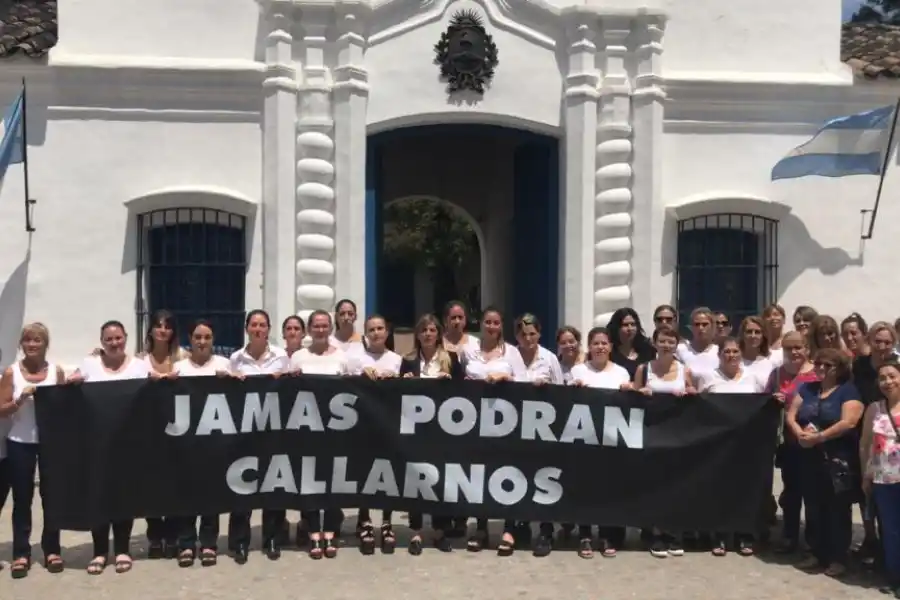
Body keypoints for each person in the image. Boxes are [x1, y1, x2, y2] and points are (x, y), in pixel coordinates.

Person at [67, 320, 151, 575]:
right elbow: (75, 396)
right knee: (98, 496)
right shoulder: (89, 365)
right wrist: (72, 384)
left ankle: (123, 549)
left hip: (128, 444)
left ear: (126, 338)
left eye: (118, 338)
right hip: (96, 444)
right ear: (101, 341)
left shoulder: (139, 365)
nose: (114, 343)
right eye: (109, 339)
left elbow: (150, 399)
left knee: (123, 496)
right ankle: (100, 552)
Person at [787, 348, 864, 578]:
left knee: (837, 508)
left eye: (827, 365)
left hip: (837, 459)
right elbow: (791, 414)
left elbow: (849, 422)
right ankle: (815, 552)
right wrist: (800, 433)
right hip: (809, 457)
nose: (820, 368)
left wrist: (819, 437)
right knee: (812, 505)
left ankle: (838, 557)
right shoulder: (808, 388)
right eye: (818, 364)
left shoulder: (848, 391)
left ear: (839, 368)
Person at [458, 306, 528, 555]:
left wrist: (505, 380)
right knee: (479, 473)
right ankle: (481, 527)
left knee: (507, 473)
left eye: (496, 323)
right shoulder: (468, 350)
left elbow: (524, 384)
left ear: (501, 326)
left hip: (505, 422)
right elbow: (458, 381)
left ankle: (509, 528)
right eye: (487, 322)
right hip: (474, 423)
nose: (491, 327)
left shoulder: (512, 353)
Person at [0, 323, 65, 578]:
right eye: (28, 340)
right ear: (21, 344)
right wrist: (20, 400)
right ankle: (21, 553)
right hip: (19, 442)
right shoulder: (11, 372)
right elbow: (1, 409)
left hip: (50, 443)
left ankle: (52, 549)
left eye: (37, 340)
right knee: (22, 499)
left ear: (45, 343)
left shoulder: (55, 371)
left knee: (52, 497)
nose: (32, 344)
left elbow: (64, 408)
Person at [227, 309, 289, 563]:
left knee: (273, 484)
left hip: (273, 432)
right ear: (247, 328)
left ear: (269, 329)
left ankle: (272, 538)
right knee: (242, 487)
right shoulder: (235, 358)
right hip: (244, 433)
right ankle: (239, 541)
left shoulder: (282, 357)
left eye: (262, 325)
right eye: (254, 325)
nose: (258, 329)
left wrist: (283, 378)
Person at [695, 337, 767, 556]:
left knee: (744, 490)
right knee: (718, 489)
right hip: (717, 445)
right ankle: (719, 536)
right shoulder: (709, 378)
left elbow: (763, 405)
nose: (732, 355)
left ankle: (744, 535)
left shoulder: (753, 379)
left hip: (746, 444)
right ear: (720, 355)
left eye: (735, 351)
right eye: (727, 351)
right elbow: (698, 407)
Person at [399, 313, 464, 555]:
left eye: (432, 330)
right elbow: (397, 396)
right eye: (423, 330)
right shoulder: (408, 360)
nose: (427, 334)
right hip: (416, 430)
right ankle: (416, 531)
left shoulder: (452, 358)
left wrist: (450, 382)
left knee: (441, 477)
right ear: (417, 334)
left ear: (439, 333)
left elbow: (464, 393)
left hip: (443, 430)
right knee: (416, 478)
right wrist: (403, 381)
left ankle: (439, 531)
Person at [172, 320, 232, 568]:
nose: (202, 342)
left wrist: (229, 380)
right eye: (197, 337)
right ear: (190, 339)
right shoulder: (179, 367)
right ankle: (186, 543)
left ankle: (209, 543)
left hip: (214, 441)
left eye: (206, 337)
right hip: (186, 442)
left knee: (211, 494)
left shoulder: (224, 364)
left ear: (213, 339)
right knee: (186, 493)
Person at [290, 310, 350, 559]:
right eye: (316, 326)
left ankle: (332, 530)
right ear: (309, 329)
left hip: (336, 431)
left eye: (325, 326)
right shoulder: (298, 357)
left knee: (335, 479)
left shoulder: (343, 357)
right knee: (311, 481)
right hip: (307, 430)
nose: (321, 330)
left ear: (330, 328)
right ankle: (313, 529)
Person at [569, 326, 632, 560]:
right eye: (596, 343)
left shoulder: (622, 373)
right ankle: (585, 534)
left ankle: (607, 534)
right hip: (584, 440)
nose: (600, 347)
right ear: (589, 346)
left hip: (612, 441)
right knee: (585, 488)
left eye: (604, 343)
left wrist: (630, 392)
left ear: (611, 347)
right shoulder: (577, 371)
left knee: (608, 489)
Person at [634, 324, 695, 558]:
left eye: (671, 341)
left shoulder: (684, 370)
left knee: (676, 485)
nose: (667, 345)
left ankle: (672, 533)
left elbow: (694, 395)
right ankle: (655, 533)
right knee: (654, 485)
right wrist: (640, 393)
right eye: (662, 340)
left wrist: (689, 392)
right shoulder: (643, 368)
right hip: (650, 435)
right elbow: (631, 399)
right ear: (654, 342)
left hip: (678, 437)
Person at [351, 315, 403, 555]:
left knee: (388, 474)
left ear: (387, 331)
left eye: (380, 328)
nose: (376, 333)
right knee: (365, 472)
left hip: (389, 425)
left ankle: (386, 521)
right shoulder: (356, 360)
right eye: (371, 329)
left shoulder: (397, 360)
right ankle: (364, 520)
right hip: (362, 426)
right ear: (365, 333)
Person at [852, 321, 898, 567]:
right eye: (877, 341)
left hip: (892, 433)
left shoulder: (897, 366)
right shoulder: (860, 366)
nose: (882, 346)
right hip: (866, 431)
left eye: (887, 342)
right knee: (870, 498)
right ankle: (873, 543)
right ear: (870, 340)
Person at [141, 310, 185, 559]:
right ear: (150, 330)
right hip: (149, 431)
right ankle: (155, 535)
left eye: (168, 326)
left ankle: (173, 534)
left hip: (179, 430)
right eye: (158, 325)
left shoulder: (183, 358)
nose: (162, 330)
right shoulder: (139, 361)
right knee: (152, 485)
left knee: (175, 484)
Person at [768, 331, 818, 554]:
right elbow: (766, 400)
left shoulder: (817, 372)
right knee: (791, 491)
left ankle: (812, 538)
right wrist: (773, 399)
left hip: (813, 440)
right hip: (788, 441)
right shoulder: (778, 373)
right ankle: (789, 535)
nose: (794, 352)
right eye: (789, 348)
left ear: (807, 348)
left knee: (813, 492)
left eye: (798, 347)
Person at [860, 358, 900, 596]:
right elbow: (865, 445)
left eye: (892, 376)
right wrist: (866, 475)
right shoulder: (874, 409)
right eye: (883, 377)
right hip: (883, 479)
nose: (888, 381)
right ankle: (895, 577)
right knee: (891, 530)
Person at [515, 313, 564, 386]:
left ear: (539, 334)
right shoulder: (509, 356)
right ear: (517, 336)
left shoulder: (550, 358)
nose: (528, 339)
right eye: (523, 334)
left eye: (532, 334)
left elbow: (560, 389)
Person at [607, 307, 655, 380]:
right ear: (617, 327)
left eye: (633, 324)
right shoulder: (610, 351)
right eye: (625, 325)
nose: (630, 328)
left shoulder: (647, 349)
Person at [675, 307, 719, 380]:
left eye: (705, 324)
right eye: (697, 324)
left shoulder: (719, 351)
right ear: (691, 327)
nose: (700, 328)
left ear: (712, 326)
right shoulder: (680, 349)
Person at [763, 303, 787, 368]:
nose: (772, 318)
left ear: (784, 320)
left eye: (776, 315)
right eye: (768, 316)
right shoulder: (760, 343)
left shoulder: (789, 340)